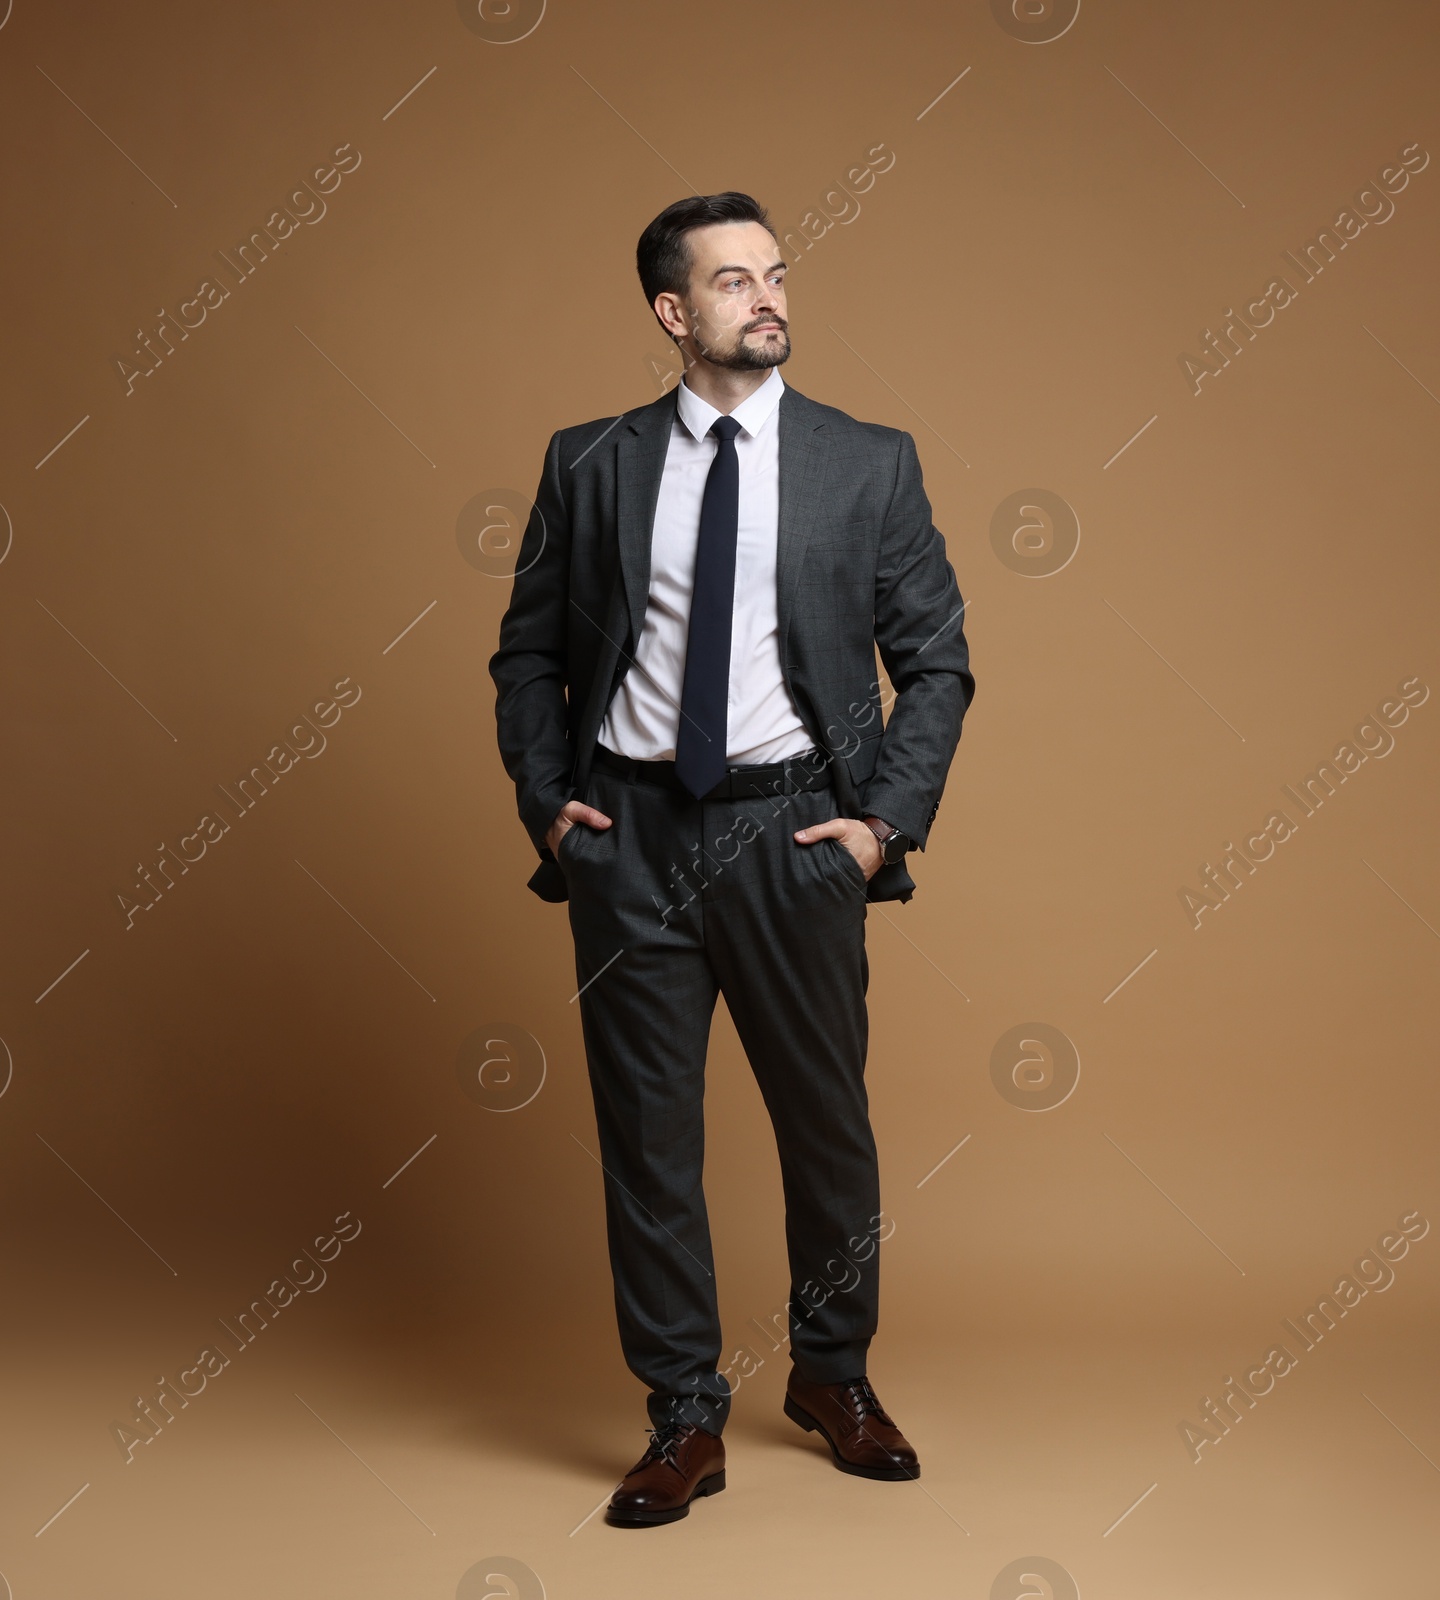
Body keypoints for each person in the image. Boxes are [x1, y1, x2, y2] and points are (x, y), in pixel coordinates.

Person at [489, 191, 972, 1527]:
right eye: (733, 280)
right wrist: (548, 805)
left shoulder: (866, 462)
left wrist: (882, 823)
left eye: (775, 274)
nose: (767, 297)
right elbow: (527, 652)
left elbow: (933, 661)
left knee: (826, 1125)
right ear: (671, 311)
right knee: (648, 1140)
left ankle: (834, 1377)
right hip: (628, 837)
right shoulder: (588, 462)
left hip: (793, 833)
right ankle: (681, 1418)